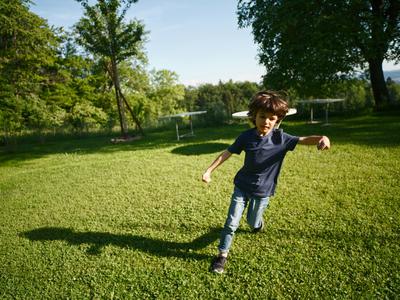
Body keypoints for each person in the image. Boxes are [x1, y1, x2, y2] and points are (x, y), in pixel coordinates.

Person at [202, 90, 330, 274]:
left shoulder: (281, 139)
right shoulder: (246, 136)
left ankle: (258, 225)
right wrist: (208, 170)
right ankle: (222, 255)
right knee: (231, 222)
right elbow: (227, 153)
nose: (266, 122)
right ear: (254, 116)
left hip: (263, 190)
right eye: (262, 116)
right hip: (242, 186)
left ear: (277, 120)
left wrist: (321, 138)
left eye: (272, 118)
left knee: (252, 221)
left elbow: (303, 139)